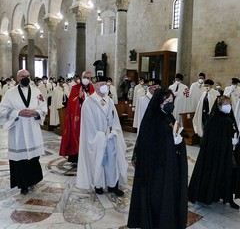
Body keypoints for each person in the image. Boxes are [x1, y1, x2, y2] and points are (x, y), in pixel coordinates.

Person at [127, 88, 188, 229]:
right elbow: (148, 145)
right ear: (158, 103)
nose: (170, 105)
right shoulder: (152, 120)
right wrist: (171, 141)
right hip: (155, 169)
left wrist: (179, 141)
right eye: (167, 101)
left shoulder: (169, 117)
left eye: (172, 101)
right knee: (157, 196)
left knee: (168, 195)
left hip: (169, 165)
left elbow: (176, 135)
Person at [76, 76, 128, 197]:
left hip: (110, 137)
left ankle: (112, 185)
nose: (104, 86)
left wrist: (113, 132)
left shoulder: (109, 100)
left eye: (106, 84)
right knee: (98, 161)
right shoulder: (89, 102)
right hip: (97, 139)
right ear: (95, 86)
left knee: (112, 161)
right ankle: (98, 185)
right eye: (101, 84)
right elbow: (88, 124)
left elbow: (115, 118)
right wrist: (101, 136)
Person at [0, 69, 47, 195]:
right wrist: (18, 113)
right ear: (17, 78)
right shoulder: (10, 93)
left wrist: (36, 112)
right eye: (22, 76)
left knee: (33, 157)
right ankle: (23, 185)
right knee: (20, 159)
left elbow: (43, 107)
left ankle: (33, 180)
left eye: (27, 76)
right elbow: (2, 110)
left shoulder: (37, 91)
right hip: (18, 129)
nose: (25, 78)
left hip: (32, 127)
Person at [188, 95, 240, 209]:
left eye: (229, 104)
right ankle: (209, 195)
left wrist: (233, 140)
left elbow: (233, 130)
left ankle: (228, 198)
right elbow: (210, 139)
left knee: (228, 174)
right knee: (214, 173)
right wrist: (227, 141)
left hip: (227, 153)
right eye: (226, 104)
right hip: (215, 154)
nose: (229, 107)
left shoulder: (228, 118)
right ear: (219, 105)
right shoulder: (214, 118)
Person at [59, 71, 95, 164]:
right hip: (78, 116)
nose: (87, 79)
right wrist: (79, 97)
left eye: (89, 78)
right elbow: (71, 102)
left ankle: (88, 156)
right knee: (77, 135)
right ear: (82, 77)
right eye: (85, 77)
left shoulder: (92, 87)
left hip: (90, 116)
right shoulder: (75, 87)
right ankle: (76, 156)